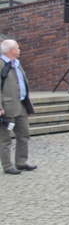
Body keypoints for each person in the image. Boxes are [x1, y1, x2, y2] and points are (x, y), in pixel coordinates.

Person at [0, 39, 36, 175]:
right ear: (10, 50)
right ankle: (7, 165)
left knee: (24, 134)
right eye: (17, 47)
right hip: (6, 107)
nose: (19, 50)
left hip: (20, 105)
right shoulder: (1, 64)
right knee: (4, 139)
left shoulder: (17, 64)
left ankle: (21, 162)